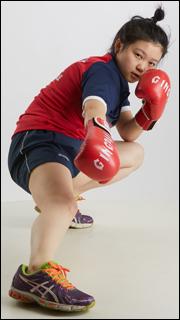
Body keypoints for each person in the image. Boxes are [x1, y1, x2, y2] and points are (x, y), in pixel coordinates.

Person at [8, 6, 170, 312]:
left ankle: (59, 198)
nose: (143, 67)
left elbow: (127, 132)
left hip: (67, 149)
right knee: (62, 204)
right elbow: (94, 105)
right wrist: (97, 131)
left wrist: (150, 111)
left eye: (152, 63)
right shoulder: (103, 71)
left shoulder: (120, 87)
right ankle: (34, 275)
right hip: (39, 141)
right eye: (138, 55)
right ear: (119, 45)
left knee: (135, 154)